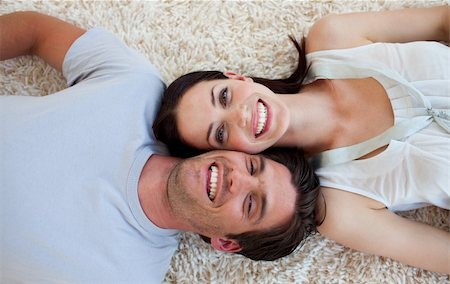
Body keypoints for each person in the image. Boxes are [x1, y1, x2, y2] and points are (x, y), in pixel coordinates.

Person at [0, 12, 321, 283]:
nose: (239, 179)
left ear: (225, 243)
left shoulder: (129, 275)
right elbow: (35, 31)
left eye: (251, 204)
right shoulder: (136, 87)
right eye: (252, 166)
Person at [153, 5, 450, 273]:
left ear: (236, 78)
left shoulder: (334, 37)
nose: (239, 116)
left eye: (224, 96)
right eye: (220, 133)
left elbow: (442, 20)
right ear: (230, 154)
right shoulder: (339, 205)